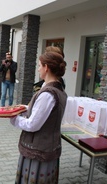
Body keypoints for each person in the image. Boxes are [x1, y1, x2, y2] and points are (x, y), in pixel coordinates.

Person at [9, 51, 67, 183]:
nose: (38, 68)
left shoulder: (48, 94)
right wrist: (24, 109)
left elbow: (33, 124)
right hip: (48, 146)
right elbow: (43, 113)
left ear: (46, 68)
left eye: (40, 65)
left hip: (39, 149)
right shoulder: (58, 90)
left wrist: (13, 118)